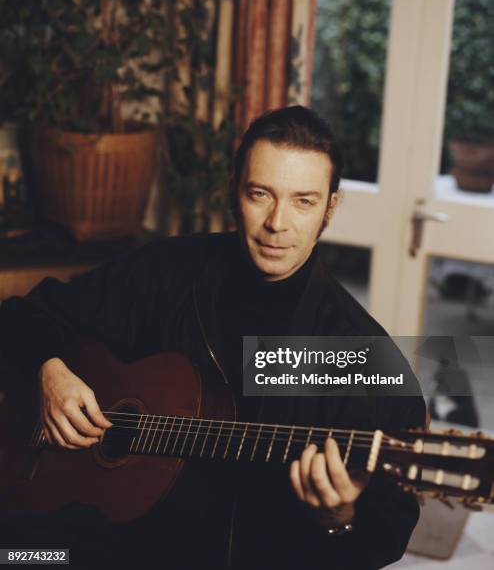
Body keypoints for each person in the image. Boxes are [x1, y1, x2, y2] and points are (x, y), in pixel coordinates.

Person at [0, 106, 426, 569]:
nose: (277, 223)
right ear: (233, 191)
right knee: (21, 556)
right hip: (87, 534)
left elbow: (386, 532)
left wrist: (339, 516)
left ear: (331, 206)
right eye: (260, 194)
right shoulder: (168, 270)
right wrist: (51, 369)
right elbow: (24, 316)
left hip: (225, 557)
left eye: (303, 200)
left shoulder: (363, 360)